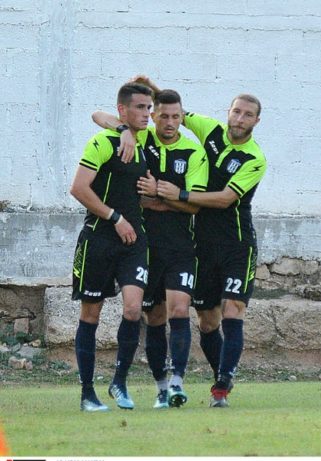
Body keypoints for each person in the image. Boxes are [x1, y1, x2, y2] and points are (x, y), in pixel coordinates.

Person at [136, 77, 266, 408]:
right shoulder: (209, 130)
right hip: (202, 246)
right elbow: (172, 112)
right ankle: (219, 375)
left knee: (233, 310)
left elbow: (224, 199)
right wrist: (150, 88)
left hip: (237, 245)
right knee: (208, 321)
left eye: (247, 115)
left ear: (256, 121)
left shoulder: (254, 158)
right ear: (228, 112)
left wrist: (177, 194)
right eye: (236, 112)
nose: (240, 119)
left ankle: (221, 387)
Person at [92, 88, 209, 409]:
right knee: (154, 317)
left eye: (176, 117)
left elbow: (194, 205)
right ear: (154, 115)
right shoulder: (140, 139)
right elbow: (97, 115)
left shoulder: (193, 152)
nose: (170, 122)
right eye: (163, 116)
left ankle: (177, 382)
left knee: (180, 309)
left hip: (181, 247)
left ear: (182, 117)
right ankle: (160, 387)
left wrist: (159, 194)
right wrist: (123, 130)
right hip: (144, 247)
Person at [70, 83, 153, 411]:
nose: (147, 114)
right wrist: (114, 217)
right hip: (99, 239)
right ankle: (87, 393)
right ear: (123, 110)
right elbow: (78, 188)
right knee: (91, 314)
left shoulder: (142, 141)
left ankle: (119, 382)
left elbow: (99, 114)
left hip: (133, 242)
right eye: (140, 108)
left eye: (149, 108)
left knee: (133, 309)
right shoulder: (103, 142)